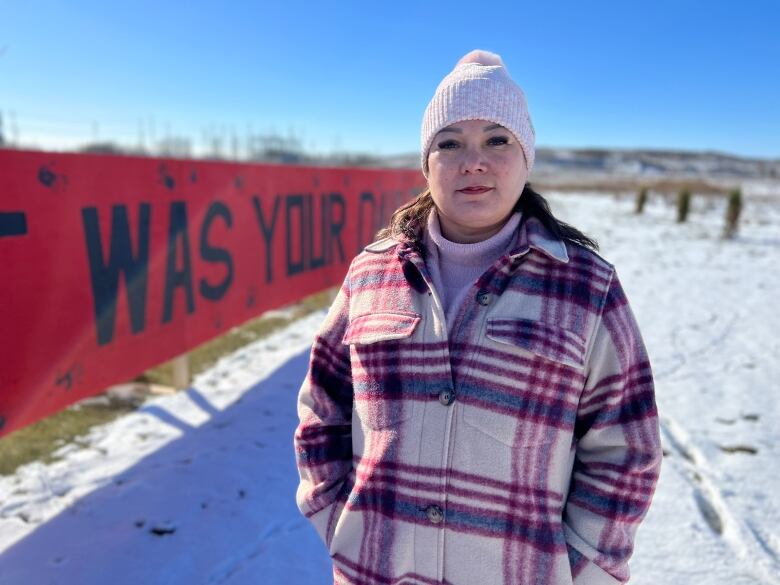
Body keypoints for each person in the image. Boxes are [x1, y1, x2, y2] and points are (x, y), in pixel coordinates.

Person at [294, 49, 662, 585]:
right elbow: (321, 410)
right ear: (427, 164)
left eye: (496, 139)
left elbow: (627, 447)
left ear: (525, 156)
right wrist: (337, 521)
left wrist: (582, 568)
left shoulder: (587, 287)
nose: (473, 162)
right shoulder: (370, 274)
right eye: (450, 143)